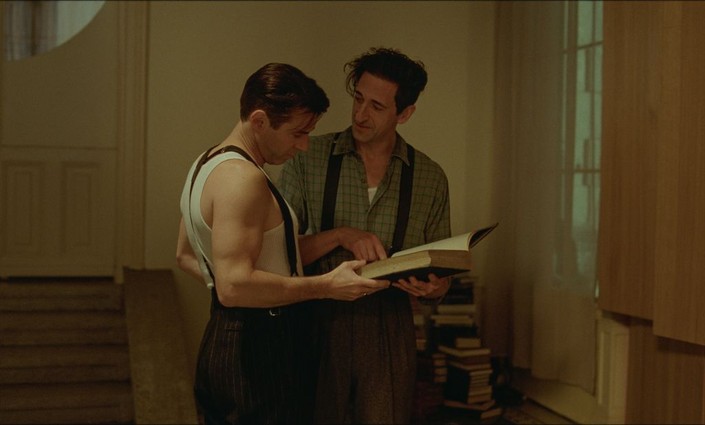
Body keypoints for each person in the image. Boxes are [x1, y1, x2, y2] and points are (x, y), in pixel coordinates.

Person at [176, 62, 389, 425]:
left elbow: (186, 255)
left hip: (227, 336)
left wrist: (339, 235)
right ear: (259, 121)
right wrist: (326, 286)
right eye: (297, 133)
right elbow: (234, 285)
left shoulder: (205, 163)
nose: (303, 146)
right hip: (260, 347)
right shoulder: (242, 179)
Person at [278, 47, 455, 424]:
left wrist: (434, 287)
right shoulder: (307, 158)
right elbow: (279, 255)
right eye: (358, 98)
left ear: (404, 114)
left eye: (376, 106)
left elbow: (443, 276)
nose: (360, 114)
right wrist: (340, 235)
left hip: (390, 329)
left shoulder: (430, 177)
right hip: (316, 322)